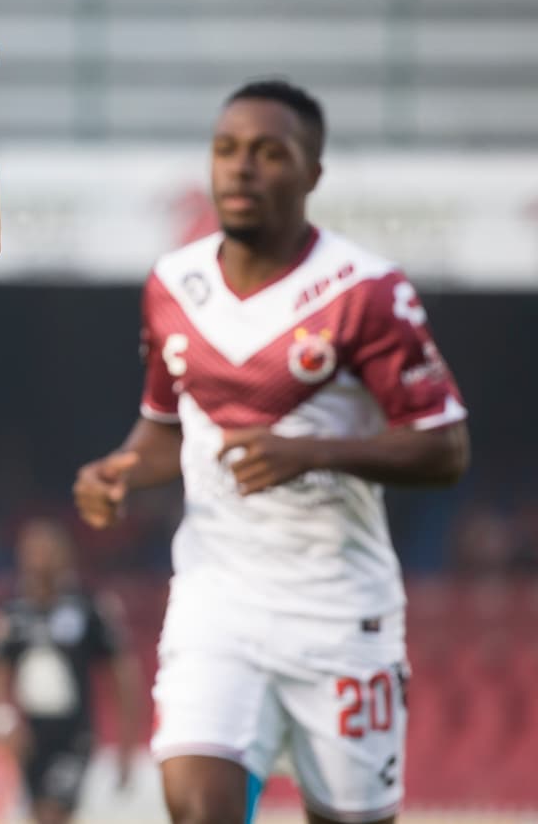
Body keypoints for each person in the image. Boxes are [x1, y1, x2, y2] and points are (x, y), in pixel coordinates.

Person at [72, 80, 470, 824]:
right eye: (226, 149)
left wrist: (311, 450)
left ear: (312, 173)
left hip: (340, 611)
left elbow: (444, 448)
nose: (241, 168)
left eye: (268, 152)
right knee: (196, 806)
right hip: (216, 599)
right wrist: (122, 468)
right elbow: (164, 425)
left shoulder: (366, 292)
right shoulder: (173, 285)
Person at [0, 517, 143, 824]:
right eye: (31, 551)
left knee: (55, 813)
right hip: (29, 735)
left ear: (64, 556)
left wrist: (126, 747)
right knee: (39, 814)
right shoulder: (9, 611)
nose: (38, 559)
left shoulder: (89, 607)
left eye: (46, 551)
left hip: (74, 734)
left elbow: (122, 674)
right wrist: (3, 722)